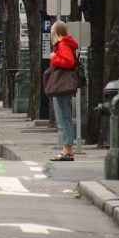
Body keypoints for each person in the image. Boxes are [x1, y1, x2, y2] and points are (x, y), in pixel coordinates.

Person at [48, 20, 79, 162]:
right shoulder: (66, 44)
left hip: (61, 85)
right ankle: (68, 149)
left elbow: (69, 61)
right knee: (65, 116)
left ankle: (67, 149)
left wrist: (54, 58)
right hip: (65, 85)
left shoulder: (62, 45)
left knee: (62, 118)